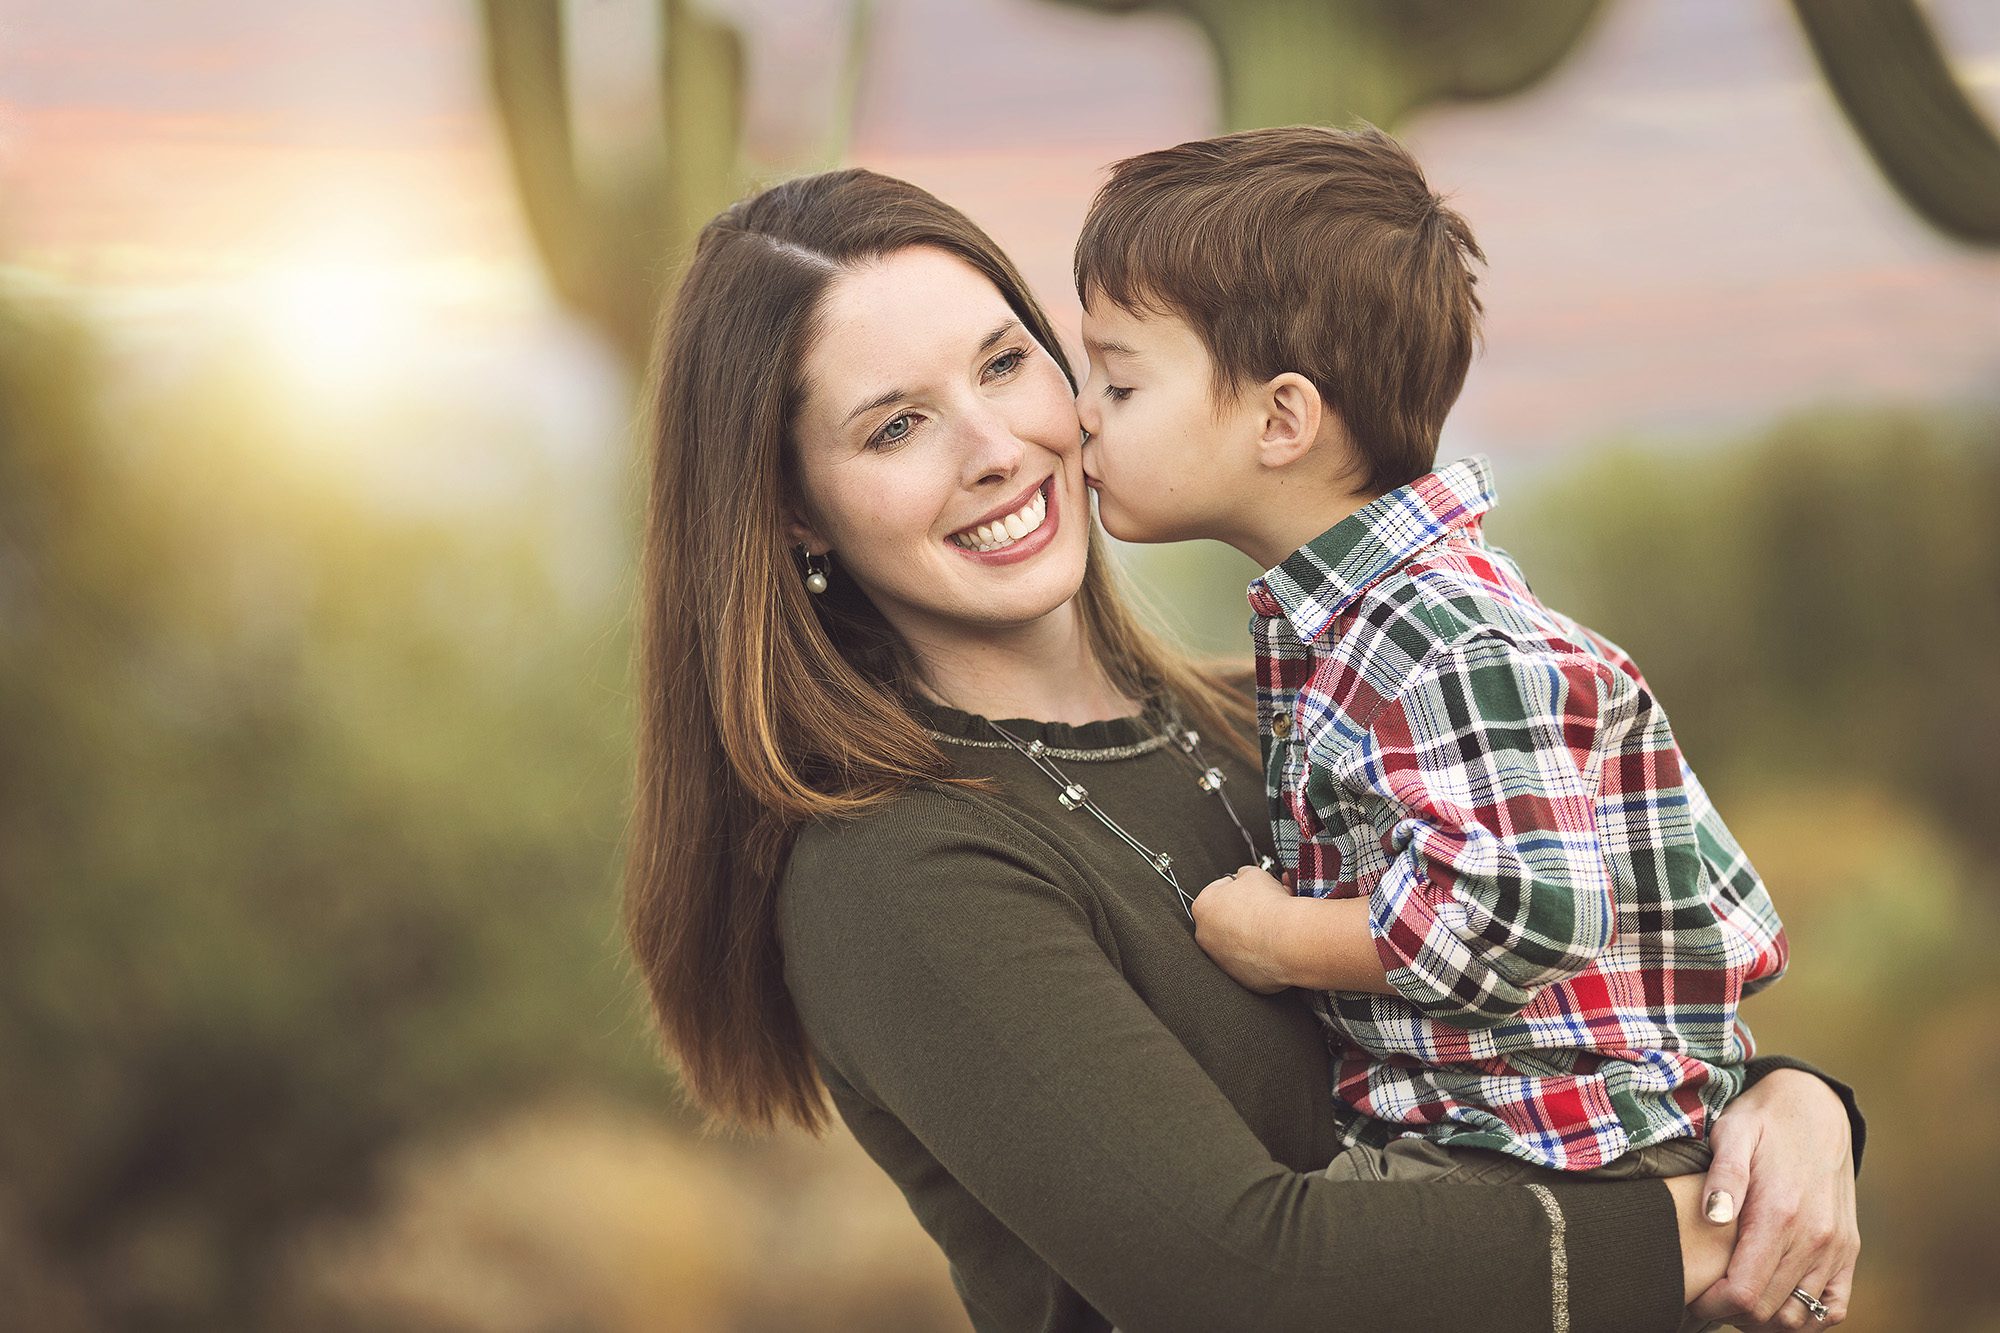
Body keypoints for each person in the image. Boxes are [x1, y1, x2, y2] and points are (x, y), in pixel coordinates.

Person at [623, 165, 1863, 1333]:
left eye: (1005, 364)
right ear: (792, 510)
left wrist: (1795, 1106)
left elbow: (1570, 968)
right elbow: (1238, 1273)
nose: (995, 446)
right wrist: (1711, 1233)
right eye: (894, 429)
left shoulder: (1302, 710)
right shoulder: (896, 867)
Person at [1069, 123, 1808, 1332]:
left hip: (1537, 1153)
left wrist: (1277, 937)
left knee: (1278, 1283)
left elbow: (1527, 907)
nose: (1080, 416)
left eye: (1119, 381)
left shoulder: (1432, 639)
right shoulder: (1374, 622)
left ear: (1279, 420)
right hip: (1510, 1134)